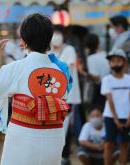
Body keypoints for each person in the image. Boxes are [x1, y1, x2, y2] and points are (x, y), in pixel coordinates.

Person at [0, 13, 72, 165]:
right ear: (49, 39)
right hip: (54, 136)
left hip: (24, 136)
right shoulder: (61, 70)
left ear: (24, 41)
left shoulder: (17, 67)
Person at [51, 25, 81, 165]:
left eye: (58, 33)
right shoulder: (48, 51)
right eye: (54, 33)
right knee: (53, 126)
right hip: (52, 96)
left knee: (65, 126)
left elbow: (68, 68)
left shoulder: (69, 49)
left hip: (68, 96)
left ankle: (65, 156)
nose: (56, 35)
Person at [101, 49, 130, 165]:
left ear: (124, 62)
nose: (115, 64)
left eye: (118, 61)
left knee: (124, 144)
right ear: (110, 64)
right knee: (109, 144)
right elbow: (109, 100)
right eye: (112, 61)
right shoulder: (107, 80)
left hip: (126, 115)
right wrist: (115, 119)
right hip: (110, 116)